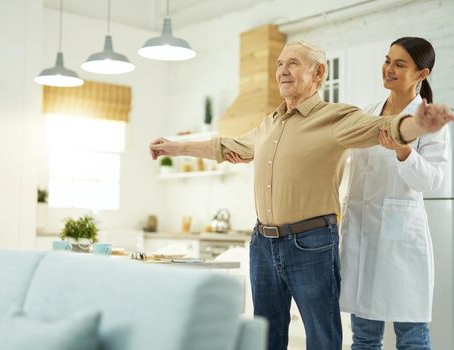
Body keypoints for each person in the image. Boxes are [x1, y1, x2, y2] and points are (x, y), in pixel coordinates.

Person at [149, 41, 453, 350]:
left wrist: (419, 124)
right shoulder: (270, 123)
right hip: (264, 244)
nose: (282, 70)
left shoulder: (337, 117)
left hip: (311, 242)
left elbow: (386, 127)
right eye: (279, 63)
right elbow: (228, 146)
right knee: (268, 337)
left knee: (325, 338)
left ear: (318, 72)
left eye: (292, 63)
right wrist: (174, 147)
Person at [339, 37, 449, 350]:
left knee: (412, 338)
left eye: (399, 64)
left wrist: (404, 152)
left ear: (421, 74)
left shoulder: (430, 122)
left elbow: (434, 181)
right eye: (387, 60)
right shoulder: (369, 113)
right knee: (364, 338)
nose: (388, 68)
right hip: (361, 234)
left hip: (400, 239)